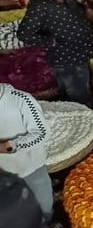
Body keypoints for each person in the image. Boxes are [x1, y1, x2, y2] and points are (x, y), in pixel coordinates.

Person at [17, 0, 93, 105]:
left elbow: (73, 7)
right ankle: (86, 115)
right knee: (78, 93)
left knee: (76, 87)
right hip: (67, 59)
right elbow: (24, 33)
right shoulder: (39, 7)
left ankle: (68, 101)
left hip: (83, 49)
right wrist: (51, 42)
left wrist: (85, 9)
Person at [0, 85, 52, 219]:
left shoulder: (21, 99)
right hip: (4, 174)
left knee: (43, 204)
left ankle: (46, 226)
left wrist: (10, 145)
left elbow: (41, 134)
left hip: (31, 167)